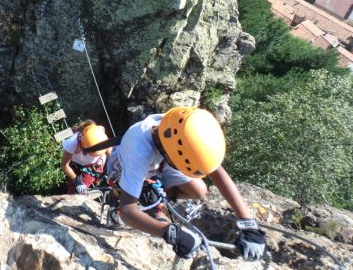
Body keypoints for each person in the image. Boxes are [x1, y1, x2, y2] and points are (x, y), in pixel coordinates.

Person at [106, 107, 266, 261]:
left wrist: (249, 225)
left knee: (200, 190)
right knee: (137, 192)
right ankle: (122, 191)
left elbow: (216, 171)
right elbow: (127, 211)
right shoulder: (139, 153)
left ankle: (157, 194)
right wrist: (171, 233)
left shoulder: (181, 125)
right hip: (123, 166)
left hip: (160, 161)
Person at [60, 120, 112, 195]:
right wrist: (77, 181)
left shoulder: (101, 139)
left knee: (78, 192)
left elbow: (113, 157)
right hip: (75, 163)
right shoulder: (73, 143)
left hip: (94, 165)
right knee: (73, 187)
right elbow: (64, 165)